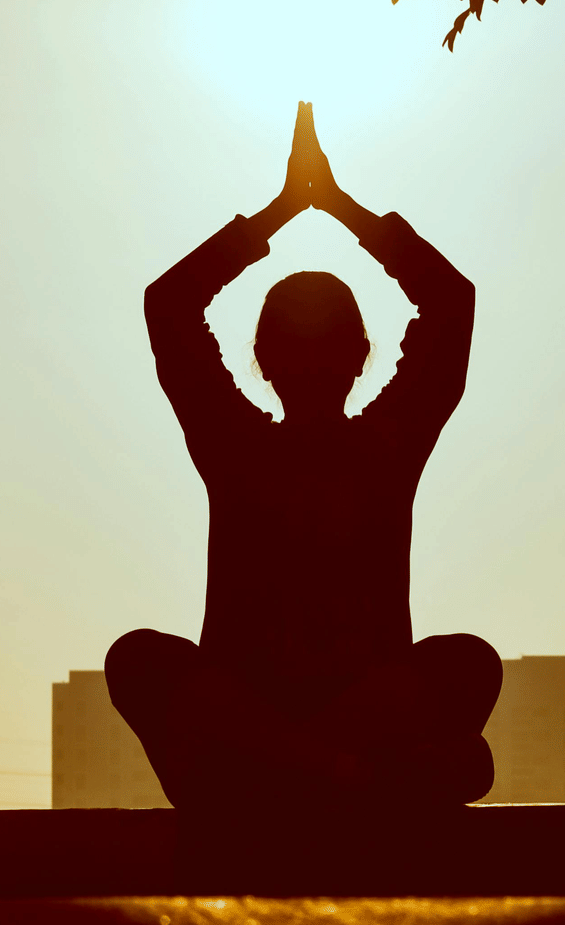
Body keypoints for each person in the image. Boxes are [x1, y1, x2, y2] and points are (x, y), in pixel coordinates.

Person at [106, 103, 501, 809]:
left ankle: (301, 769)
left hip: (259, 746)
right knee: (136, 658)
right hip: (310, 735)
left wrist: (292, 210)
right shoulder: (337, 445)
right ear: (361, 358)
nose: (315, 364)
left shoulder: (267, 444)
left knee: (470, 662)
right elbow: (449, 301)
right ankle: (339, 774)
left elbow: (171, 307)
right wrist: (328, 209)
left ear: (259, 359)